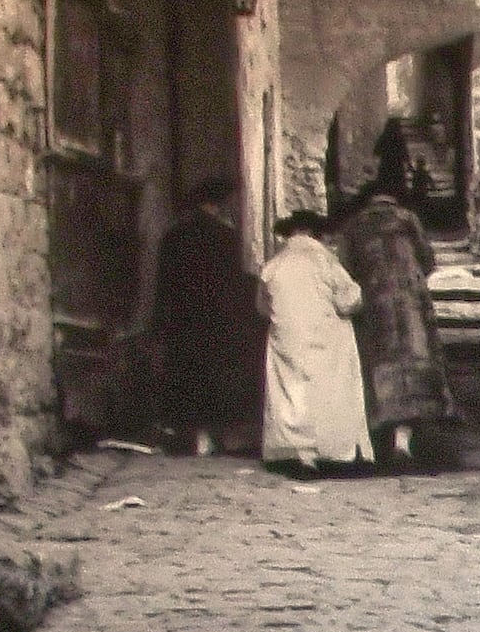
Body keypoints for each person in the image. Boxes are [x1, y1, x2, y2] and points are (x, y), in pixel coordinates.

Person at [335, 174, 455, 468]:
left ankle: (383, 436)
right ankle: (406, 437)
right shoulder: (408, 220)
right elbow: (428, 261)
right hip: (411, 301)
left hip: (374, 302)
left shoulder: (354, 226)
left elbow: (345, 270)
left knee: (378, 363)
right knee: (415, 359)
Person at [255, 209, 371, 472]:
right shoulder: (325, 261)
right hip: (323, 336)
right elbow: (349, 301)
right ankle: (327, 449)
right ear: (316, 234)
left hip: (287, 338)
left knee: (290, 391)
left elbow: (262, 307)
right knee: (326, 390)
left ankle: (297, 450)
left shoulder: (273, 265)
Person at [150, 179, 259, 457]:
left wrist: (160, 324)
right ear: (217, 206)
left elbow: (163, 287)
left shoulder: (173, 237)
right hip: (218, 321)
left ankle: (191, 435)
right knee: (215, 376)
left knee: (186, 374)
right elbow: (237, 284)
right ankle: (213, 435)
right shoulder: (228, 238)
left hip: (183, 320)